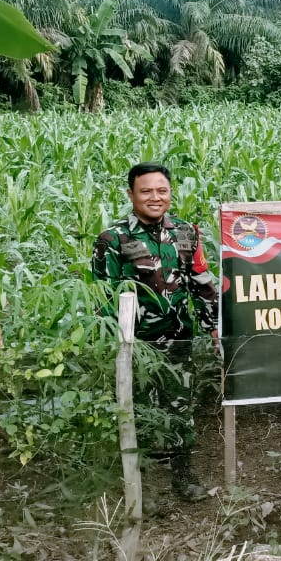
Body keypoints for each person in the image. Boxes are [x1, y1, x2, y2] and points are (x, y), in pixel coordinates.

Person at [92, 162, 219, 501]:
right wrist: (117, 343)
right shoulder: (113, 238)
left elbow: (201, 283)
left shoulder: (185, 232)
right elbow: (105, 296)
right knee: (137, 410)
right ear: (131, 194)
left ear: (170, 193)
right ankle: (142, 487)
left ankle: (184, 477)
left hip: (178, 338)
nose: (154, 197)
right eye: (146, 190)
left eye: (161, 190)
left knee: (180, 407)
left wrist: (214, 325)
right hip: (135, 345)